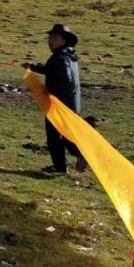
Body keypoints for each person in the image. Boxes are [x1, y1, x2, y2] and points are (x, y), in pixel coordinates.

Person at [27, 23, 84, 174]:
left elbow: (64, 78)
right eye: (50, 37)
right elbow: (52, 70)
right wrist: (34, 67)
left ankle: (64, 165)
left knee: (55, 136)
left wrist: (50, 92)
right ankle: (78, 156)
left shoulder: (60, 58)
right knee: (65, 134)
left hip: (60, 105)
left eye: (55, 38)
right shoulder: (67, 55)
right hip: (70, 104)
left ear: (64, 40)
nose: (50, 40)